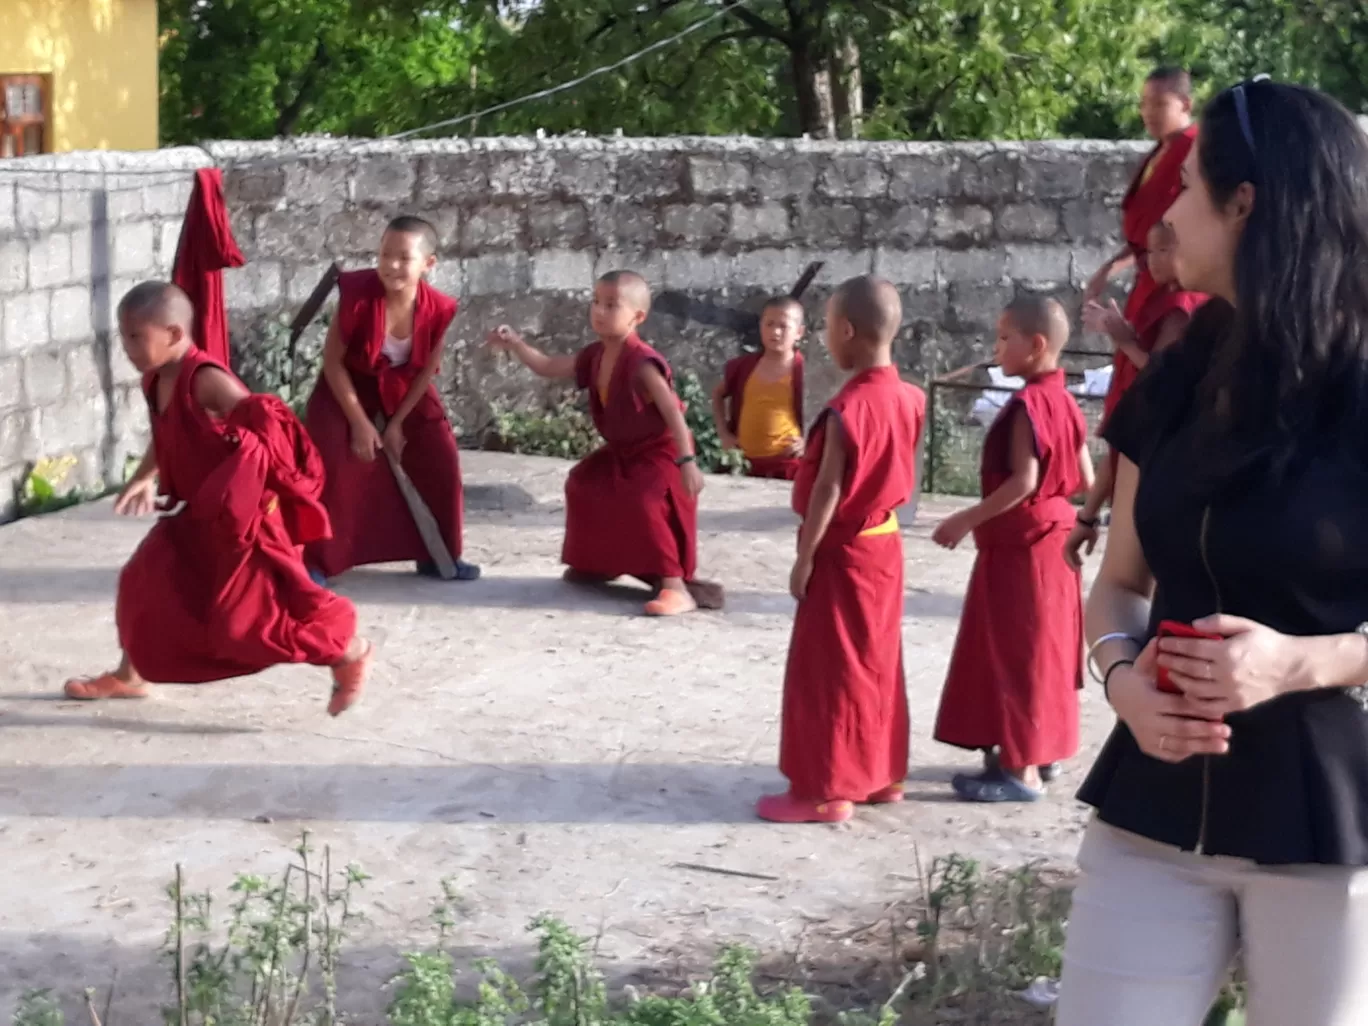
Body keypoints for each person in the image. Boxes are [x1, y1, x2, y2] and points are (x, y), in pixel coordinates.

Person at [1056, 81, 1368, 1026]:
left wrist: (1300, 662)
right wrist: (1121, 685)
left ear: (1247, 204)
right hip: (1151, 808)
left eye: (1186, 186)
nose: (1165, 210)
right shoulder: (1186, 368)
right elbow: (1116, 586)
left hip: (1329, 826)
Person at [63, 282, 372, 715]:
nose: (126, 346)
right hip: (194, 518)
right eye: (123, 336)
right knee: (143, 583)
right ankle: (130, 677)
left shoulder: (206, 380)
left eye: (136, 336)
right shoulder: (155, 380)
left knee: (244, 626)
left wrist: (249, 485)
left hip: (241, 526)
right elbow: (167, 434)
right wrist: (143, 478)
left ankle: (346, 650)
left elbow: (265, 425)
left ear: (172, 334)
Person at [757, 276, 926, 823]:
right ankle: (879, 775)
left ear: (848, 332)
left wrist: (804, 558)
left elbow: (828, 489)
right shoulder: (910, 397)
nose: (827, 339)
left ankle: (825, 789)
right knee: (876, 661)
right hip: (886, 545)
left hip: (843, 549)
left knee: (830, 669)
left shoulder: (846, 408)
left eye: (828, 327)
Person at [931, 297, 1093, 801]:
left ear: (1036, 345)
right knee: (1045, 653)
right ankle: (1042, 755)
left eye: (1005, 338)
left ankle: (1019, 773)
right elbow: (1086, 477)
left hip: (1021, 546)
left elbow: (1024, 481)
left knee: (1019, 655)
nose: (995, 348)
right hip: (1056, 540)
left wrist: (964, 518)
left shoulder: (1027, 405)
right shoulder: (1065, 401)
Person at [485, 270, 711, 617]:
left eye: (611, 305)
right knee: (584, 482)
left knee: (644, 499)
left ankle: (674, 586)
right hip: (624, 450)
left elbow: (673, 413)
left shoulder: (642, 363)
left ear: (637, 317)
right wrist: (516, 343)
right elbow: (547, 366)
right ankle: (600, 563)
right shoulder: (595, 355)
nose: (599, 311)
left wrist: (687, 461)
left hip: (659, 452)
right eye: (595, 302)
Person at [304, 216, 478, 583]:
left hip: (404, 389)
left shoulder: (439, 308)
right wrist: (359, 422)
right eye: (385, 254)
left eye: (403, 258)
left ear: (428, 264)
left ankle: (438, 553)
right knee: (333, 457)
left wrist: (397, 424)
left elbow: (426, 371)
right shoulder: (356, 293)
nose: (391, 265)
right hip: (346, 385)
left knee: (439, 452)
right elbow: (332, 363)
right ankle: (318, 559)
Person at [1067, 222, 1207, 568]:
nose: (1154, 261)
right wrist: (1107, 270)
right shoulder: (1157, 292)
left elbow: (1161, 376)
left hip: (1162, 436)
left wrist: (1124, 340)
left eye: (1164, 251)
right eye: (1150, 253)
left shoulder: (1181, 304)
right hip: (1136, 423)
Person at [712, 296, 806, 480]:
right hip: (744, 461)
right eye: (769, 324)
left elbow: (822, 413)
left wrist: (808, 443)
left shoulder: (804, 370)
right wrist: (724, 434)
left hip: (787, 462)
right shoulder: (744, 367)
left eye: (783, 326)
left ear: (799, 332)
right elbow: (717, 394)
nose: (775, 332)